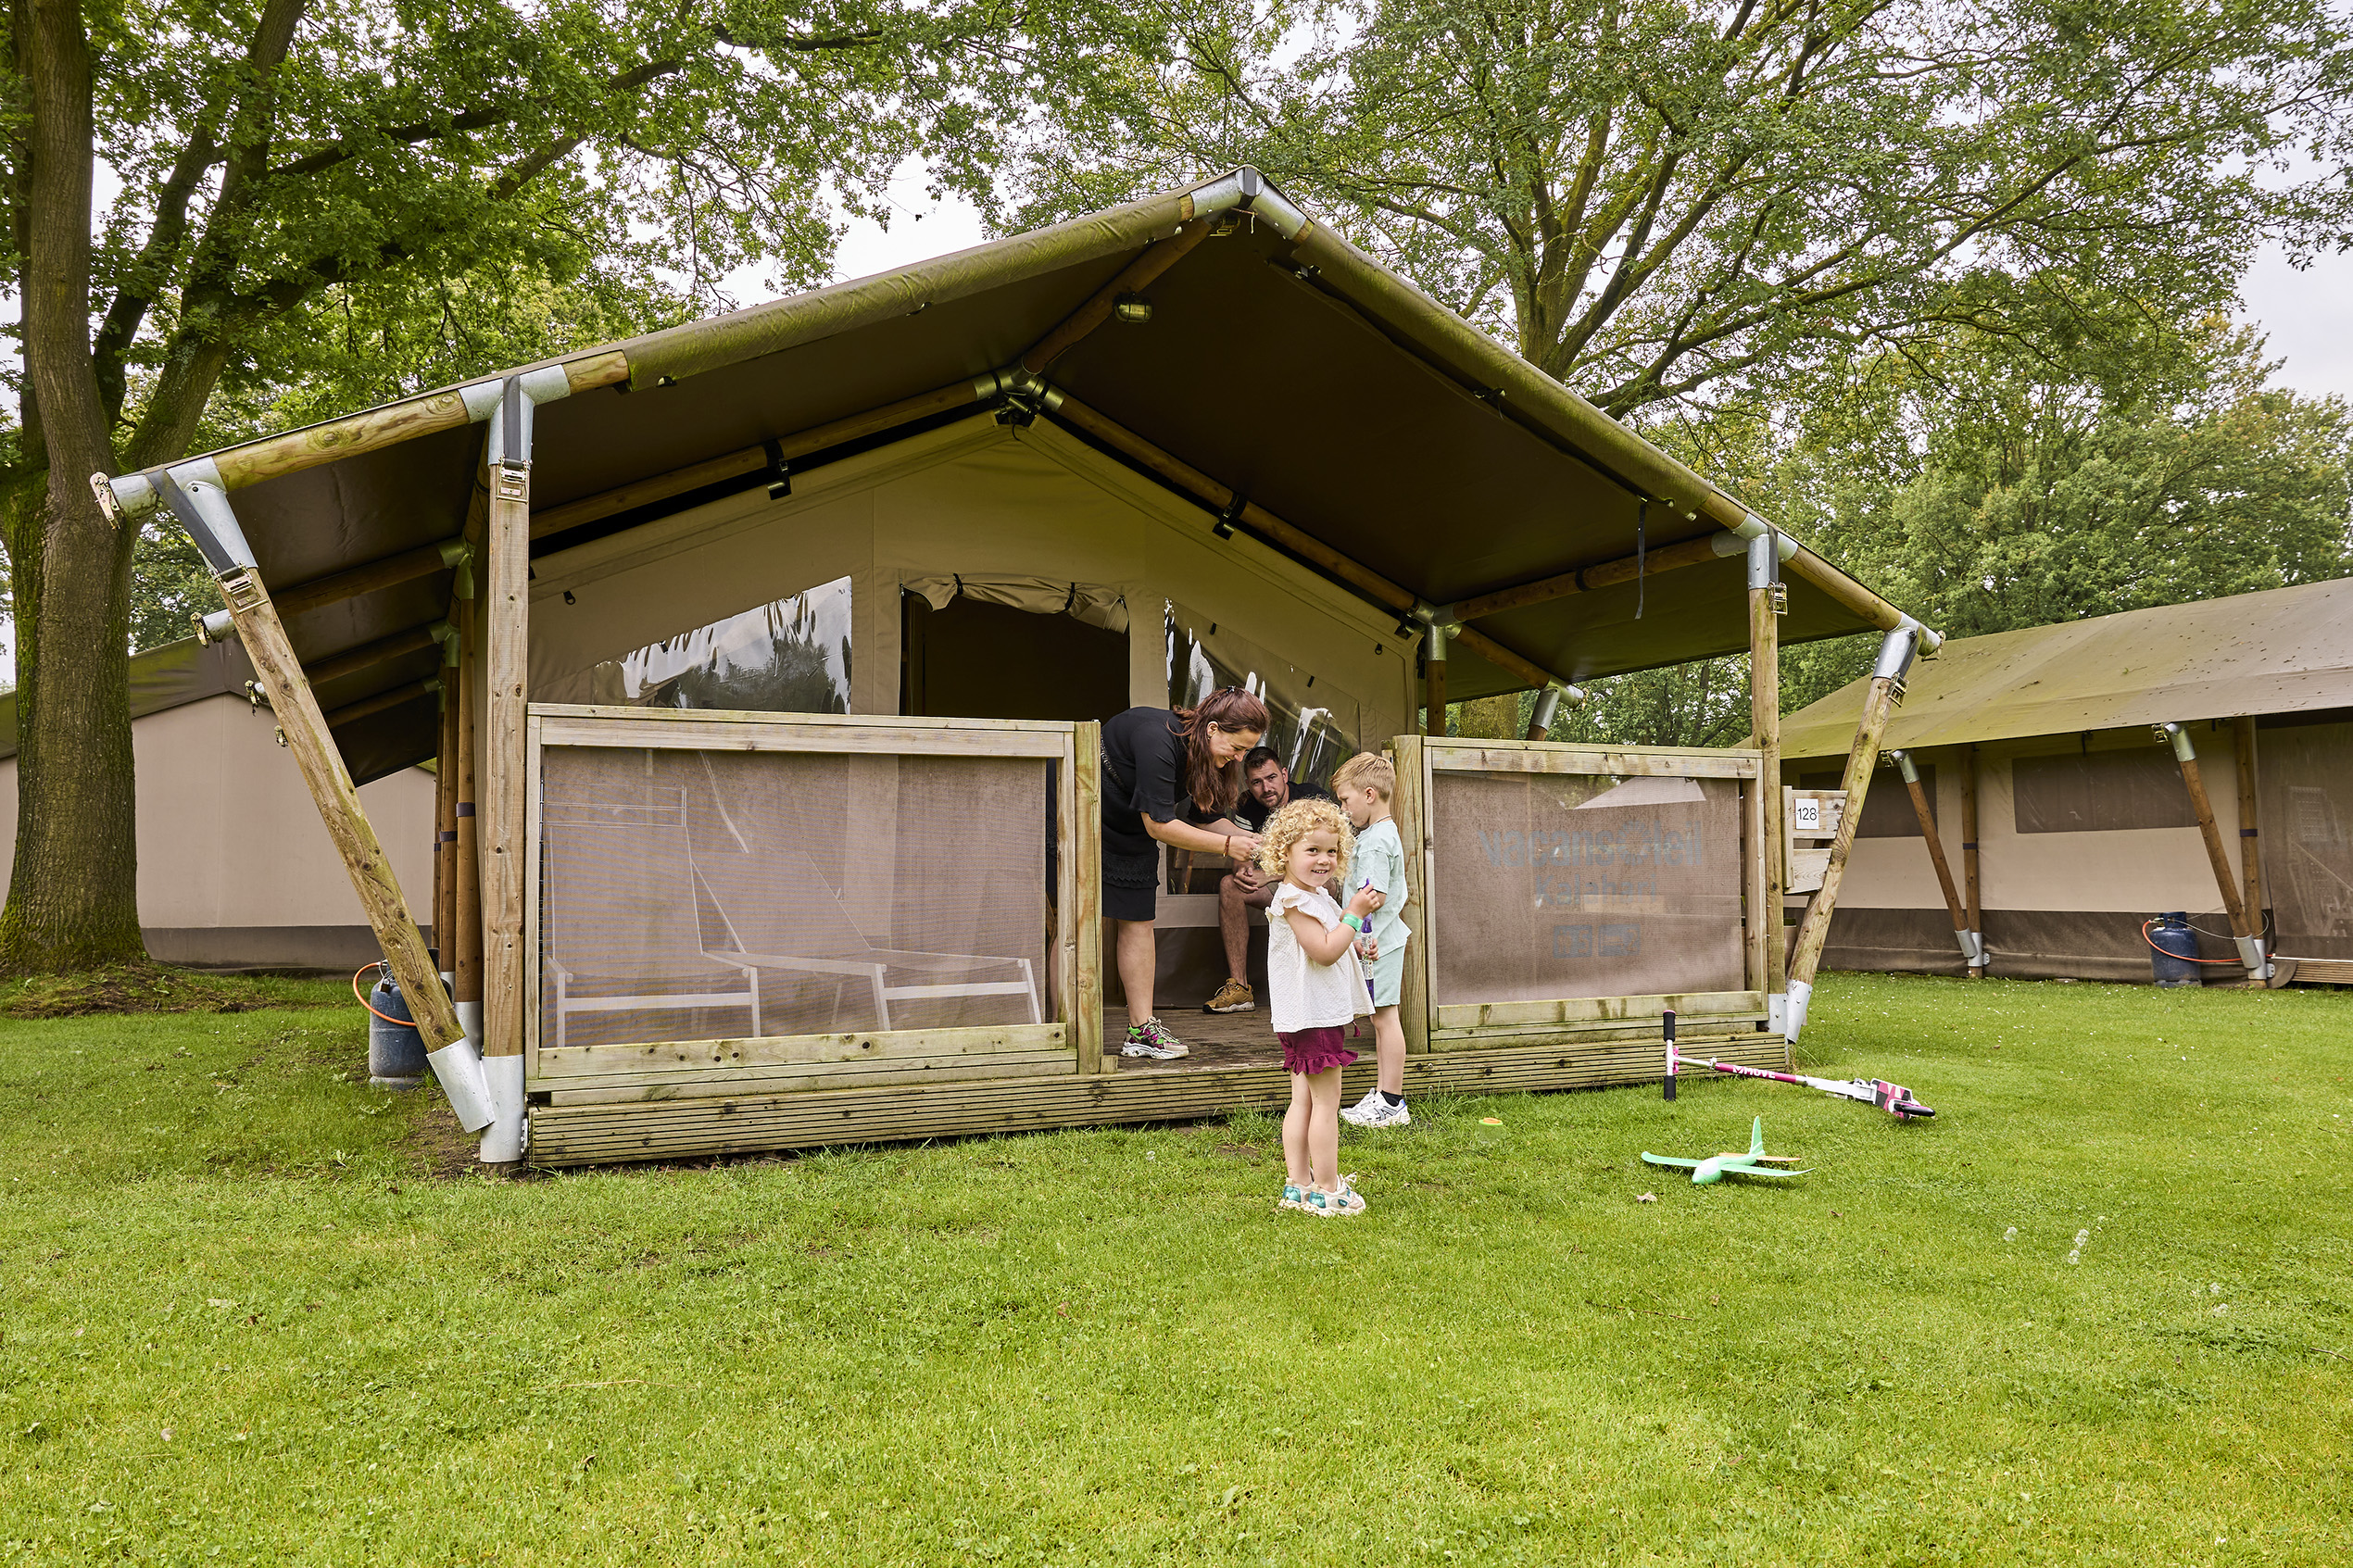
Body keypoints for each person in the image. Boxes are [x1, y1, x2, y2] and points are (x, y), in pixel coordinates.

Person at [1100, 688, 1271, 1060]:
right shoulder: (1158, 739)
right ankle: (1063, 1025)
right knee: (1072, 924)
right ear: (1213, 729)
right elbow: (1160, 825)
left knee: (1139, 919)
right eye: (1237, 748)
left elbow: (1202, 816)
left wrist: (1254, 840)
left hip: (1133, 824)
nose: (1239, 758)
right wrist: (1228, 847)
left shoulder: (1202, 753)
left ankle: (1140, 1031)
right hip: (1086, 808)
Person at [1258, 797, 1381, 1217]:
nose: (1324, 859)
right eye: (1312, 850)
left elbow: (1338, 941)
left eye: (1331, 850)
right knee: (1326, 1104)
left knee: (1304, 1101)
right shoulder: (1295, 902)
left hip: (1303, 1015)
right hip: (1313, 1018)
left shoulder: (1315, 897)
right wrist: (1355, 915)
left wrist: (1361, 940)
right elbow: (1324, 951)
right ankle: (1328, 1190)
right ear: (1284, 852)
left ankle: (1298, 1185)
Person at [1204, 747, 1332, 1015]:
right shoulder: (1247, 805)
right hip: (1282, 882)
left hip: (1321, 881)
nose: (1266, 788)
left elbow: (1326, 858)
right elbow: (1243, 855)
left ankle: (1320, 989)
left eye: (1272, 777)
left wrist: (1271, 874)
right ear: (1248, 784)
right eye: (1256, 782)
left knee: (1320, 884)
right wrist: (1244, 871)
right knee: (1230, 886)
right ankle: (1240, 989)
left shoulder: (1311, 797)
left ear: (1284, 774)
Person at [1333, 752, 1415, 1129]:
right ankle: (1384, 1094)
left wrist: (1357, 933)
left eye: (1345, 801)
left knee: (1385, 1019)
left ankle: (1393, 1101)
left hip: (1376, 941)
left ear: (1369, 794)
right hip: (1380, 939)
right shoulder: (1379, 834)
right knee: (1382, 1019)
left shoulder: (1377, 840)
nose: (1344, 809)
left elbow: (1374, 896)